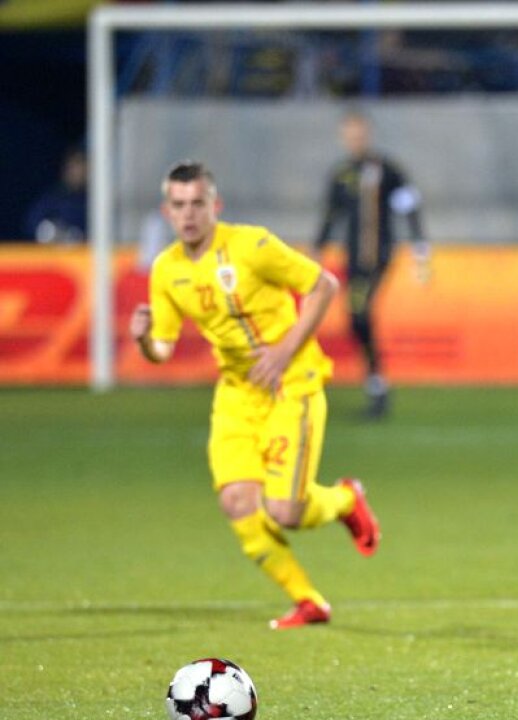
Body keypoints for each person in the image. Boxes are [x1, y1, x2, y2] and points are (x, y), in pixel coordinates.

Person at [130, 160, 382, 630]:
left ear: (215, 205)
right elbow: (161, 350)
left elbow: (322, 285)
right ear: (168, 211)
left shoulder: (252, 245)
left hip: (293, 382)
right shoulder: (166, 270)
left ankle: (346, 501)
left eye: (197, 204)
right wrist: (144, 338)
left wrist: (285, 351)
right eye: (179, 205)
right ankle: (309, 602)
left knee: (284, 511)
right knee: (237, 502)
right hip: (237, 393)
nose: (189, 214)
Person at [313, 111, 432, 418]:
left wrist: (420, 247)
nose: (355, 141)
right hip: (351, 256)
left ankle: (377, 387)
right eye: (350, 135)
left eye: (360, 135)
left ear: (368, 135)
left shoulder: (386, 170)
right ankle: (376, 384)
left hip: (377, 254)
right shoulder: (341, 173)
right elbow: (331, 215)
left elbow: (410, 206)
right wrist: (318, 248)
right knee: (356, 318)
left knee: (358, 311)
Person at [25, 146, 88, 244]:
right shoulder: (54, 197)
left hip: (85, 255)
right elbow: (31, 223)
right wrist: (51, 231)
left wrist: (75, 236)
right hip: (54, 255)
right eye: (69, 166)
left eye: (78, 165)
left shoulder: (94, 200)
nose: (73, 171)